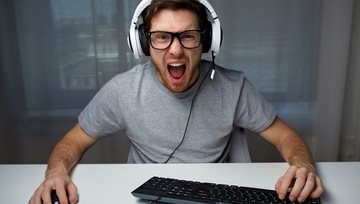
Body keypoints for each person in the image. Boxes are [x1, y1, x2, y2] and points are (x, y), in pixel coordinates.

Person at [29, 0, 324, 203]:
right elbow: (74, 141)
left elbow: (286, 136)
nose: (175, 50)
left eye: (188, 36)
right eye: (161, 37)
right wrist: (55, 174)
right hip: (144, 195)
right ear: (144, 43)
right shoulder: (122, 90)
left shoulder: (233, 87)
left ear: (207, 41)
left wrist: (303, 167)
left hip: (212, 195)